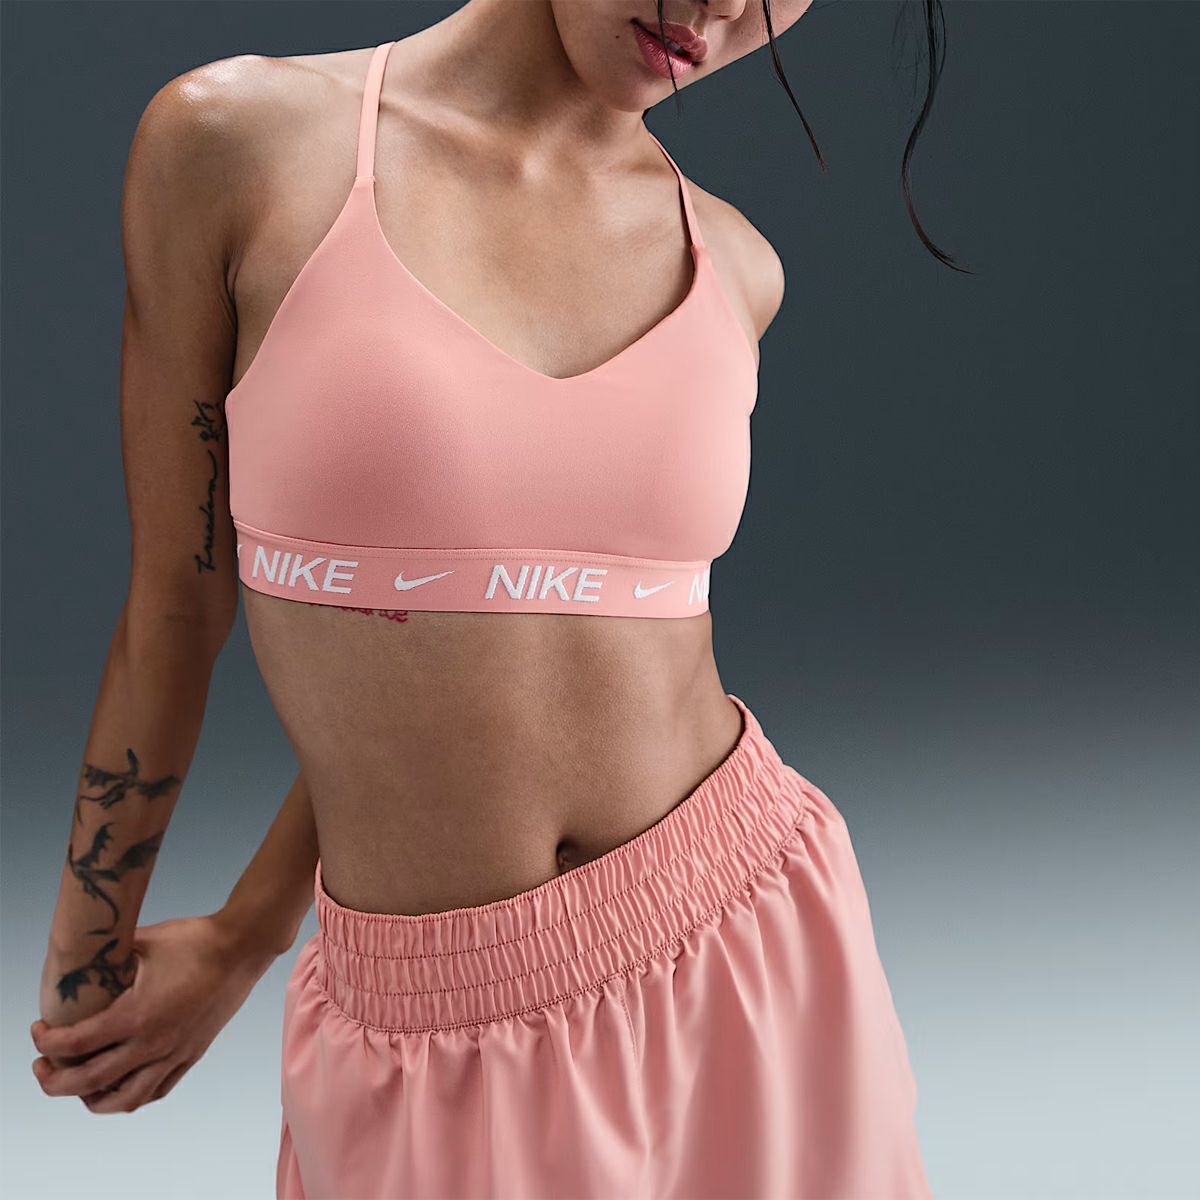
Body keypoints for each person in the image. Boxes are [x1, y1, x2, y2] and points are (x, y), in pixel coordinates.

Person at [30, 2, 947, 1195]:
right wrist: (86, 956)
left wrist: (250, 929)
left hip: (743, 948)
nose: (723, 6)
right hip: (427, 1028)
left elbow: (478, 638)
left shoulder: (734, 267)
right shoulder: (239, 145)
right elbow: (178, 604)